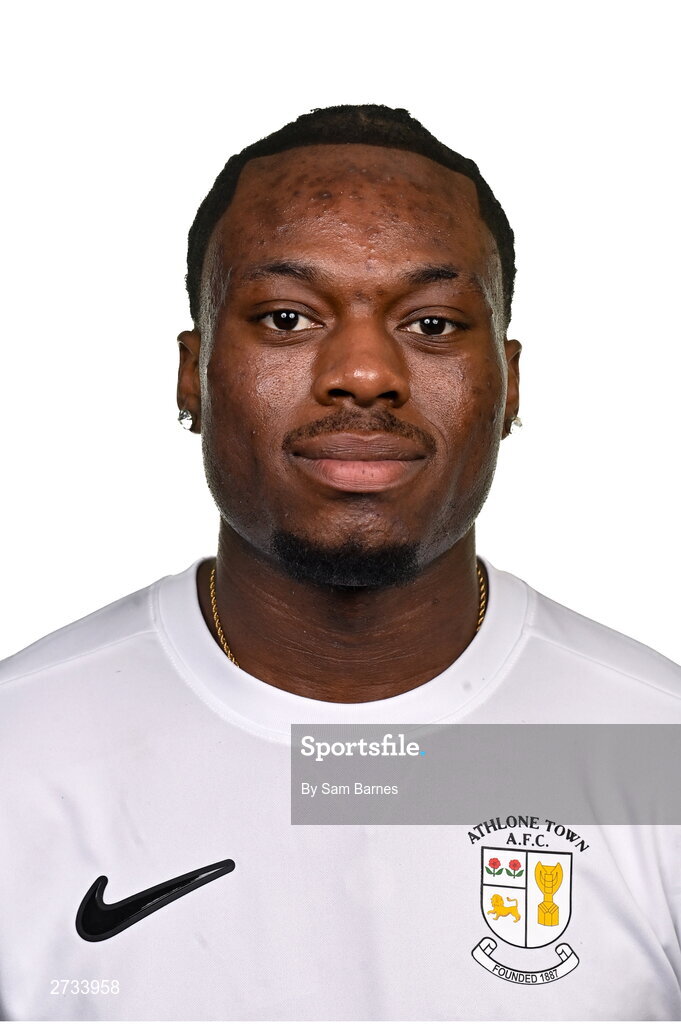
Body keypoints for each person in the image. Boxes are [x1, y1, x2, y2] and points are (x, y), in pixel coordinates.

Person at [0, 103, 679, 1022]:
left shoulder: (654, 752)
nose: (363, 372)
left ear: (510, 383)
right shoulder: (21, 752)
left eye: (433, 325)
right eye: (286, 317)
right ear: (190, 374)